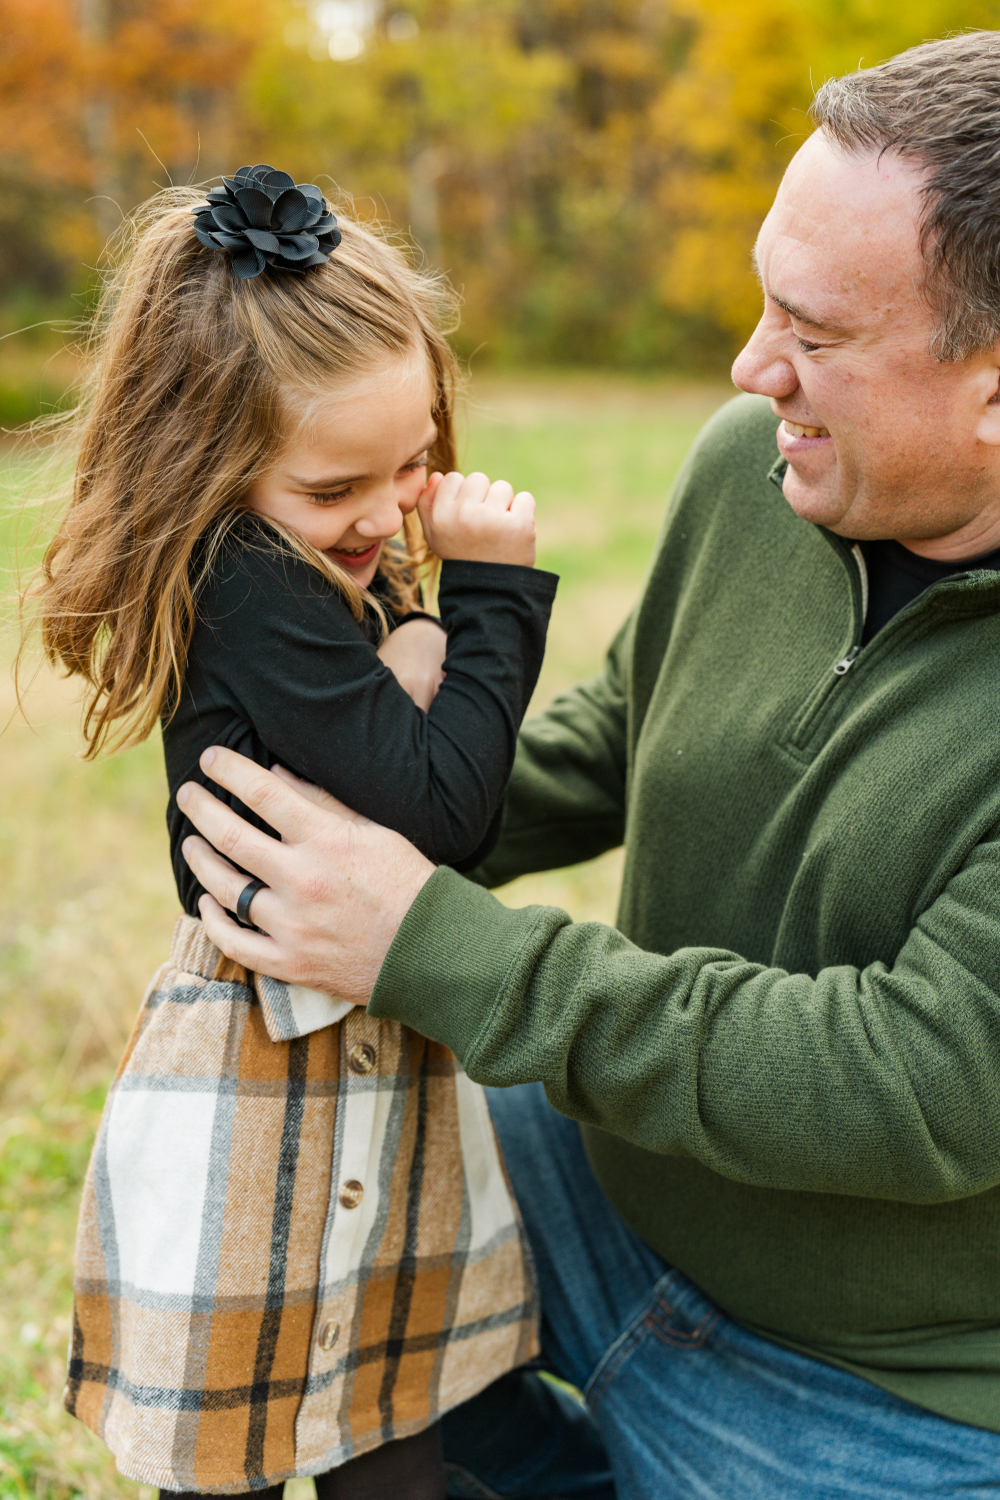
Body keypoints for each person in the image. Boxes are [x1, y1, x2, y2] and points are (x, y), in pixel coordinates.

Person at [174, 33, 1000, 1499]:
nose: (753, 371)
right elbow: (615, 738)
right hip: (599, 1190)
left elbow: (916, 1083)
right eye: (762, 302)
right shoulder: (754, 468)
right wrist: (326, 809)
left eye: (813, 334)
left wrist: (428, 937)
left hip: (884, 1393)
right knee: (288, 1202)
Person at [30, 166, 557, 1498]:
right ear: (214, 461)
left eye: (415, 465)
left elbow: (429, 826)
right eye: (340, 489)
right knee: (250, 1443)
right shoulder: (254, 584)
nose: (388, 515)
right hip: (274, 1074)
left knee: (388, 1412)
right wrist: (488, 600)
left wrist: (421, 640)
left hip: (372, 1042)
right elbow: (447, 808)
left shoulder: (314, 565)